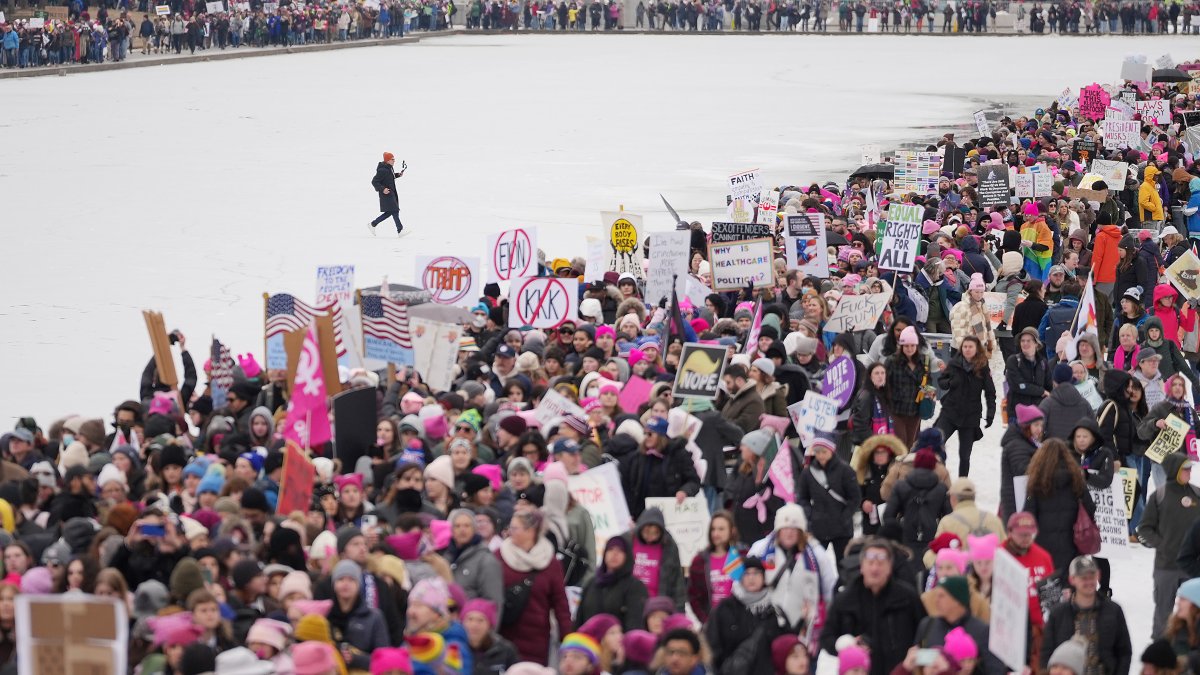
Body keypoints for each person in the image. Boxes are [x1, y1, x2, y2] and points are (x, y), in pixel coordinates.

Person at [821, 538, 926, 675]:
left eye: (881, 563)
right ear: (862, 566)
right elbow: (827, 637)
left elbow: (925, 635)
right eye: (870, 563)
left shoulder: (907, 597)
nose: (875, 568)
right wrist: (846, 644)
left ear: (889, 567)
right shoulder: (845, 599)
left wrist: (919, 659)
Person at [496, 510, 573, 664]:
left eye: (515, 528)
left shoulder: (550, 563)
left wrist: (568, 639)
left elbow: (560, 603)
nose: (509, 532)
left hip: (537, 640)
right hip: (505, 636)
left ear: (531, 531)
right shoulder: (499, 556)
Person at [1138, 453, 1200, 638]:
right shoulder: (1159, 495)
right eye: (1185, 468)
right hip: (1166, 566)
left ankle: (1192, 646)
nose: (1189, 471)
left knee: (1193, 611)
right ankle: (1160, 645)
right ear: (1175, 470)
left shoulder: (1197, 494)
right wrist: (1162, 544)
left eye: (1190, 468)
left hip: (1192, 568)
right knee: (1163, 610)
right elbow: (1145, 528)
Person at [1040, 555, 1132, 675]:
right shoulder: (1058, 614)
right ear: (1072, 579)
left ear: (1098, 575)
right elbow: (1046, 653)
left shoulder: (1113, 610)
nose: (1089, 582)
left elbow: (1124, 652)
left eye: (1092, 576)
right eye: (1083, 578)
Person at [912, 575, 1004, 675]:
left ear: (957, 600)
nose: (936, 601)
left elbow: (995, 670)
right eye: (936, 595)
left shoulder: (982, 631)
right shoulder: (927, 625)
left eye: (942, 596)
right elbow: (916, 661)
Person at [934, 335, 995, 477]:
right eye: (965, 346)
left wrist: (990, 412)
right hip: (950, 412)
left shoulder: (982, 367)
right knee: (936, 444)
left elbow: (990, 392)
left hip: (970, 416)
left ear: (976, 349)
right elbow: (942, 381)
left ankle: (962, 484)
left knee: (965, 455)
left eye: (970, 347)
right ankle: (941, 479)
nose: (967, 349)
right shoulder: (954, 363)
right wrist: (949, 383)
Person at [796, 431, 860, 564]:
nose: (820, 456)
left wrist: (845, 516)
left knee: (843, 565)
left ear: (832, 450)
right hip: (818, 527)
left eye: (824, 452)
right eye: (817, 452)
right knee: (815, 565)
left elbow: (855, 497)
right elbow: (802, 497)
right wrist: (810, 514)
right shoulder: (808, 473)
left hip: (842, 528)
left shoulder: (845, 470)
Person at [705, 556, 777, 672]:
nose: (751, 578)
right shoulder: (725, 608)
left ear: (764, 577)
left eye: (756, 573)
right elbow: (712, 645)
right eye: (747, 573)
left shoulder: (773, 610)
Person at [884, 447, 950, 558]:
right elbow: (949, 516)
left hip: (905, 535)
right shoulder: (941, 489)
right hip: (932, 537)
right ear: (933, 465)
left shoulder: (901, 486)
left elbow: (888, 515)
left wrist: (896, 533)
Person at [575, 536, 648, 631]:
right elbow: (579, 619)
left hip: (617, 644)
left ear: (627, 556)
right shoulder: (592, 583)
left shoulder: (635, 586)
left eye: (620, 550)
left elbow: (635, 625)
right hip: (588, 643)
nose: (614, 554)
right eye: (610, 549)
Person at [686, 511, 740, 624]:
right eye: (713, 529)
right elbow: (694, 597)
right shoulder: (699, 561)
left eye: (721, 529)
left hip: (738, 621)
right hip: (712, 622)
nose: (716, 533)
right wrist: (706, 622)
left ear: (732, 531)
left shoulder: (741, 556)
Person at [885, 326, 930, 446]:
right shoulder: (892, 361)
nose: (909, 348)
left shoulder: (924, 361)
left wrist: (929, 393)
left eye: (912, 345)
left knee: (910, 444)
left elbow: (928, 382)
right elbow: (885, 384)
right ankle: (896, 464)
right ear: (901, 346)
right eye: (906, 345)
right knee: (900, 444)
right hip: (896, 410)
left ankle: (902, 464)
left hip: (915, 410)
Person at [1000, 404, 1044, 520]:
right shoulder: (1017, 445)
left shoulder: (1029, 442)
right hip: (1017, 502)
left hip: (1022, 499)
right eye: (1036, 425)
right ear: (1026, 426)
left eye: (1041, 425)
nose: (1039, 429)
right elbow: (1023, 470)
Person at [1038, 363, 1096, 442]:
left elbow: (1037, 429)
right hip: (1079, 450)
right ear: (1071, 379)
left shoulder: (1047, 403)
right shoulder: (1084, 403)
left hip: (1054, 450)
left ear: (1054, 381)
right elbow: (1093, 427)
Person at [1005, 328, 1052, 421]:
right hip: (1017, 414)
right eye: (1023, 341)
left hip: (1038, 413)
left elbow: (1049, 387)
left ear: (1036, 343)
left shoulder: (1043, 362)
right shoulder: (1013, 361)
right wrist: (1041, 391)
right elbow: (1019, 386)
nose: (1025, 343)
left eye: (1028, 341)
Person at [369, 151, 406, 235]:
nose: (394, 161)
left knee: (390, 212)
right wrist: (383, 189)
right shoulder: (382, 170)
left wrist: (397, 175)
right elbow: (374, 182)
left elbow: (390, 177)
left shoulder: (389, 168)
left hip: (391, 193)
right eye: (392, 159)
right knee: (395, 210)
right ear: (387, 160)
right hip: (386, 194)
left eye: (394, 159)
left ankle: (373, 224)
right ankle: (400, 230)